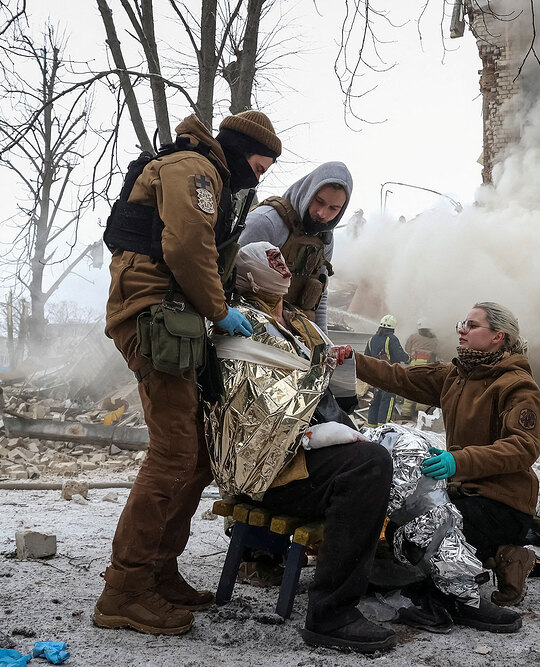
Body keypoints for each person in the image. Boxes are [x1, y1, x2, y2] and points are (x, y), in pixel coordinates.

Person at [95, 110, 281, 636]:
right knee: (173, 452)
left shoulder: (214, 175)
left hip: (174, 318)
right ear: (243, 148)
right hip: (154, 317)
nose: (261, 174)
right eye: (261, 163)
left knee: (197, 453)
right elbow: (184, 245)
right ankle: (124, 591)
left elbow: (204, 253)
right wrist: (220, 311)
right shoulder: (193, 169)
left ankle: (157, 569)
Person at [224, 242, 396, 653]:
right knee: (369, 465)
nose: (283, 264)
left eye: (282, 257)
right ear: (247, 276)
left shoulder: (299, 323)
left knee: (403, 449)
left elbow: (329, 392)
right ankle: (331, 614)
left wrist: (333, 367)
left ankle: (423, 579)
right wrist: (316, 435)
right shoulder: (242, 324)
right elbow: (252, 409)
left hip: (311, 450)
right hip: (273, 469)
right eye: (271, 260)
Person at [346, 302, 540, 609]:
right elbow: (402, 377)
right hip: (460, 491)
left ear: (498, 337)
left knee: (423, 544)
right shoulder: (457, 375)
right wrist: (352, 360)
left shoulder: (518, 387)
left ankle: (493, 563)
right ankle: (499, 556)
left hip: (502, 503)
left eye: (472, 325)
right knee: (400, 533)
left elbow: (523, 448)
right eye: (462, 324)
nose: (462, 330)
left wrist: (458, 461)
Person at [238, 161, 352, 332]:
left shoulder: (325, 239)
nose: (322, 213)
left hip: (295, 334)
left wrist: (324, 345)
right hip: (251, 330)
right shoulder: (266, 222)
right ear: (308, 192)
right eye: (319, 201)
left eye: (333, 208)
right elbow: (230, 282)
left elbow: (319, 295)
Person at [363, 315, 408, 427]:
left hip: (375, 376)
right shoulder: (391, 339)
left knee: (376, 400)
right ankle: (383, 426)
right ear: (392, 328)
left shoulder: (372, 339)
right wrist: (408, 359)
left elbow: (366, 356)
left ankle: (372, 425)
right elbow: (400, 355)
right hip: (388, 375)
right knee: (388, 400)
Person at [400, 321, 438, 419]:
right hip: (428, 365)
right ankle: (420, 413)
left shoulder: (413, 336)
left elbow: (407, 349)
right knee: (423, 388)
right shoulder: (434, 339)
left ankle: (406, 414)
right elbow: (435, 351)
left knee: (410, 387)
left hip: (415, 363)